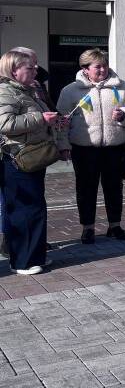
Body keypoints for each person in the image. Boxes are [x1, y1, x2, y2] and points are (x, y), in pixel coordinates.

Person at [54, 49, 125, 244]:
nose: (102, 69)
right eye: (97, 66)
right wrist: (63, 145)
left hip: (115, 147)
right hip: (84, 149)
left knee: (114, 187)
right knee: (86, 189)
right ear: (85, 69)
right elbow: (61, 121)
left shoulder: (123, 87)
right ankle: (88, 228)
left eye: (104, 65)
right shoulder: (70, 90)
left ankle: (115, 225)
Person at [0, 49, 62, 274]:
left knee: (35, 208)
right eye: (30, 67)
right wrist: (41, 118)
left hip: (32, 157)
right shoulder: (6, 91)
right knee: (23, 210)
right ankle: (22, 262)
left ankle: (35, 256)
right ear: (14, 70)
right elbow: (5, 123)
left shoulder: (28, 91)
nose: (36, 70)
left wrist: (54, 122)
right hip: (16, 159)